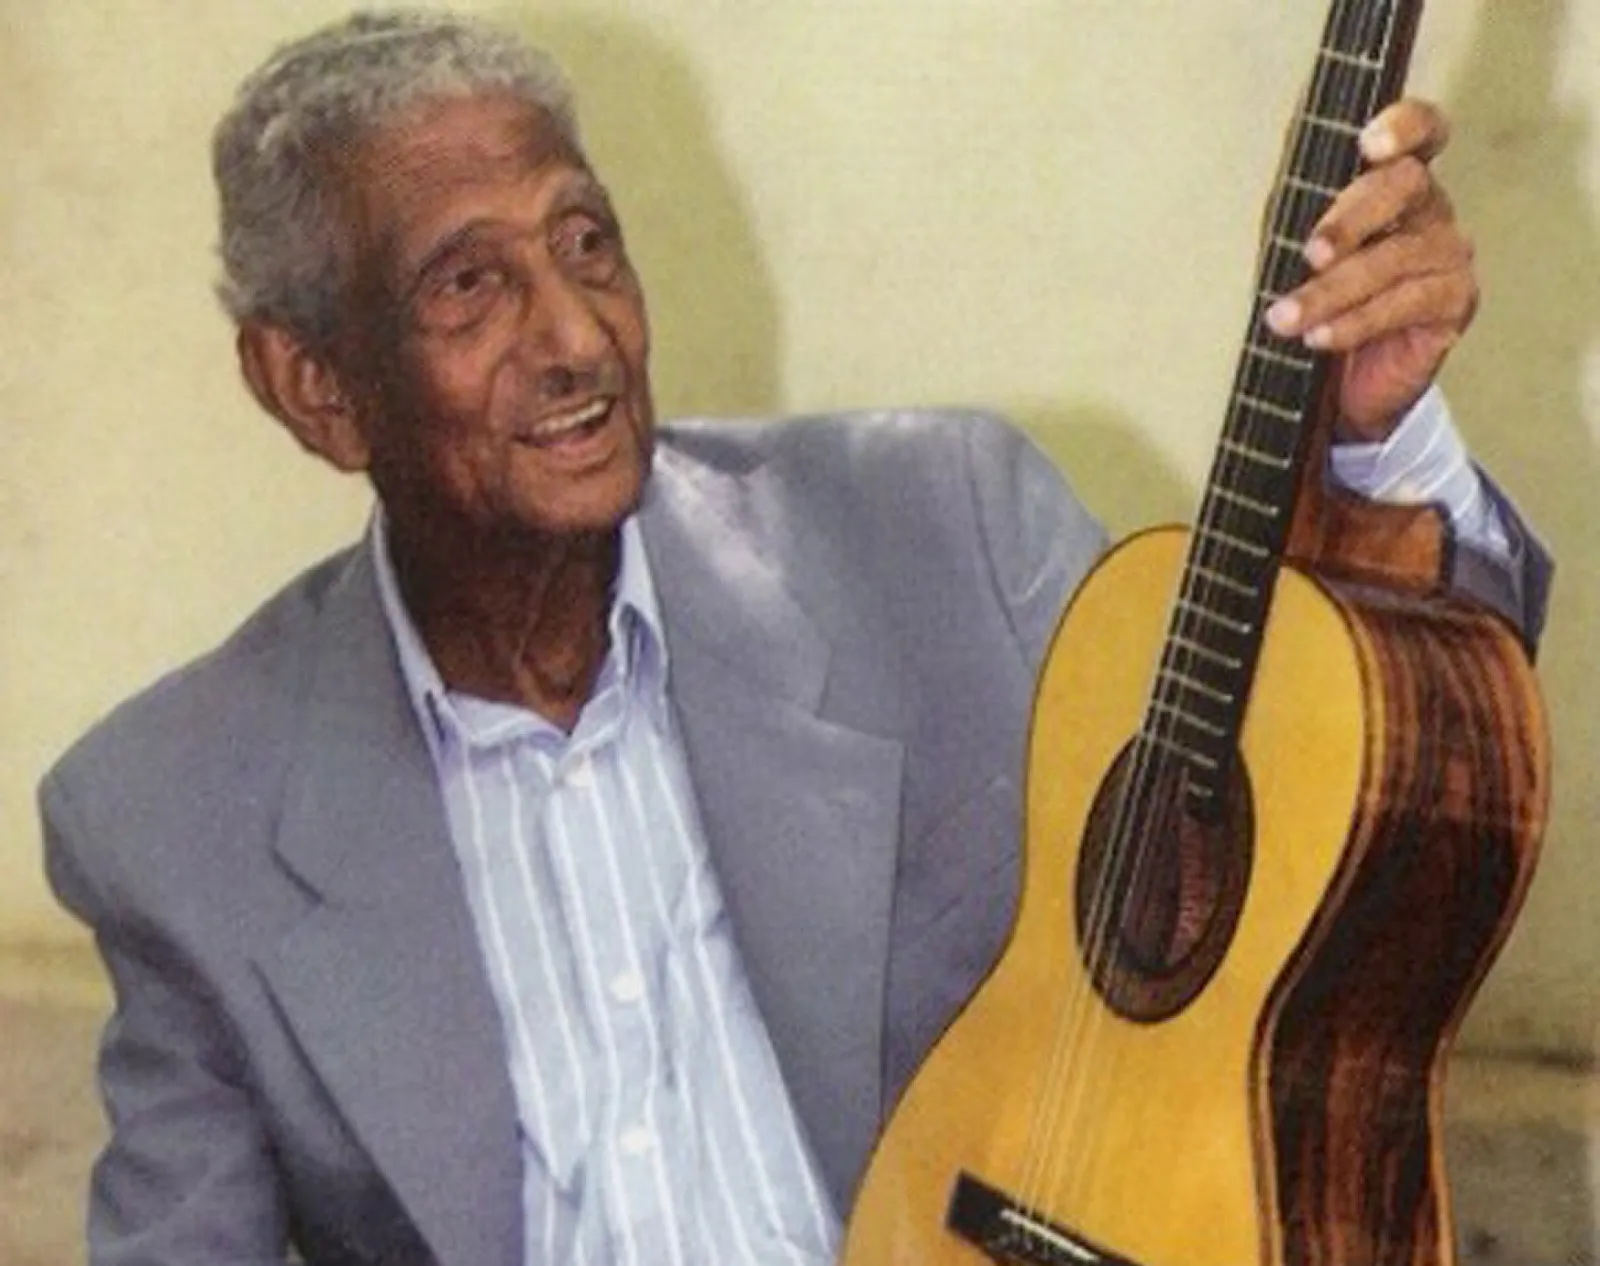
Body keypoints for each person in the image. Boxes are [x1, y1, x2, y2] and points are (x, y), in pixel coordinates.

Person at [39, 10, 1550, 1266]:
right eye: (469, 285)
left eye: (587, 243)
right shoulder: (178, 814)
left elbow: (1365, 798)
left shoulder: (941, 526)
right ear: (314, 386)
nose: (577, 334)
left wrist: (1373, 444)